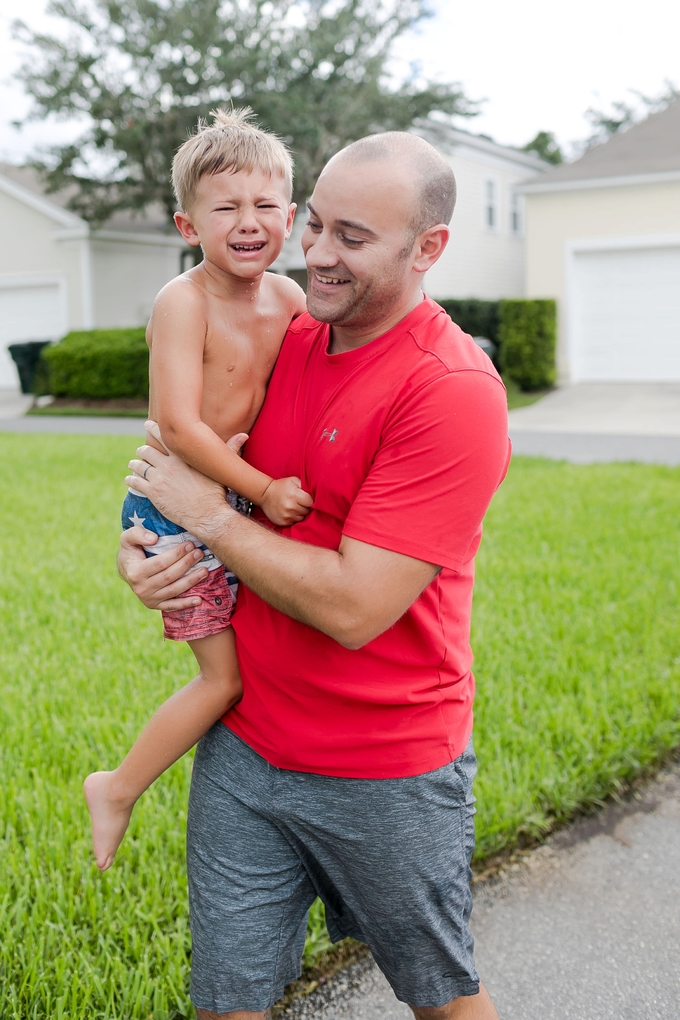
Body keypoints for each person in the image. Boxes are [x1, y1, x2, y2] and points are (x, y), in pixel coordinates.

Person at [119, 130, 510, 1020]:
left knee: (443, 998)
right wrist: (149, 554)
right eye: (320, 226)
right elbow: (183, 450)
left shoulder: (449, 389)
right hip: (245, 746)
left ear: (429, 248)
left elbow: (355, 606)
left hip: (385, 768)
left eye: (354, 238)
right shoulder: (291, 330)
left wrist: (208, 515)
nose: (319, 255)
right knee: (228, 1000)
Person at [84, 108, 311, 872]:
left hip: (233, 501)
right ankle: (116, 787)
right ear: (188, 224)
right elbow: (179, 428)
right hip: (175, 509)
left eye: (265, 205)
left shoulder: (290, 301)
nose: (248, 223)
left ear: (291, 212)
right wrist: (263, 490)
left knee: (275, 654)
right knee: (225, 680)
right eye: (226, 207)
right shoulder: (182, 303)